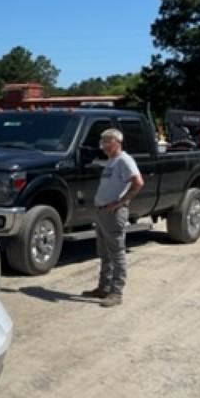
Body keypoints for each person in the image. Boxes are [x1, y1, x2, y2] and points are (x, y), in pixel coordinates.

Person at [82, 128, 144, 307]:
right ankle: (103, 288)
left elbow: (138, 182)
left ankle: (116, 292)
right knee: (104, 252)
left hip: (113, 214)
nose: (103, 146)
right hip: (102, 212)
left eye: (107, 142)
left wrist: (120, 202)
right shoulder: (112, 161)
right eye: (102, 142)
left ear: (117, 142)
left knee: (117, 253)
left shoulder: (124, 160)